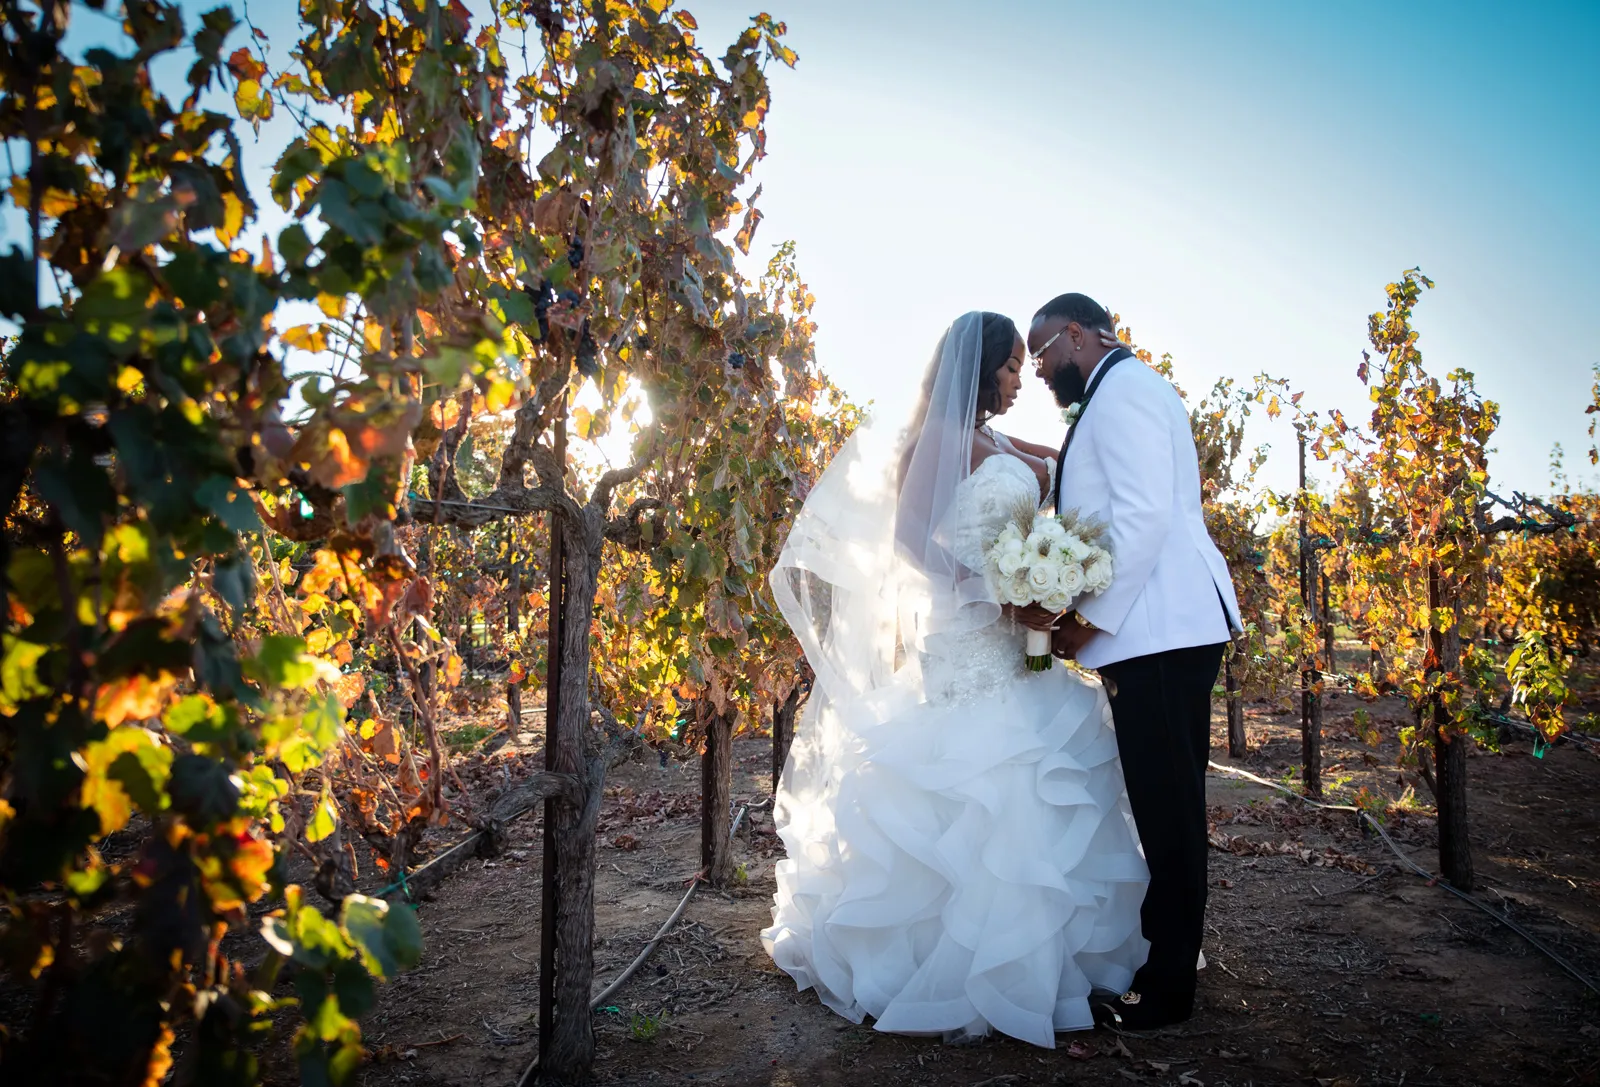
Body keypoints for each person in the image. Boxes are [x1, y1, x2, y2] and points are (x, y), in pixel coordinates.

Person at [762, 311, 1148, 1047]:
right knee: (981, 778)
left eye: (1021, 367)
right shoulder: (935, 441)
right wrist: (996, 592)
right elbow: (911, 543)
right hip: (967, 634)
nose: (1018, 380)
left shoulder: (996, 440)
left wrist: (1049, 564)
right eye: (1010, 367)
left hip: (1019, 639)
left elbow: (1060, 460)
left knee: (1037, 767)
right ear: (977, 369)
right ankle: (960, 973)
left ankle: (1048, 963)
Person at [1024, 292, 1242, 1030]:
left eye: (1042, 353)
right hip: (1157, 632)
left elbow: (1143, 518)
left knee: (1169, 811)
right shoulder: (1118, 390)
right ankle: (1165, 967)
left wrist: (1088, 622)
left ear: (1075, 334)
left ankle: (1166, 987)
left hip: (1161, 633)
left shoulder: (1125, 391)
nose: (1040, 370)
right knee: (1163, 805)